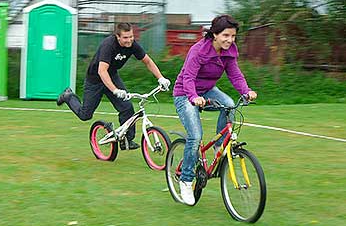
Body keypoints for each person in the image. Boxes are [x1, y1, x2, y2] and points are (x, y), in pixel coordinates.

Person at [172, 14, 257, 205]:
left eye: (233, 36)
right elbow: (188, 78)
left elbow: (235, 75)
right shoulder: (199, 51)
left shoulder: (229, 51)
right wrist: (193, 97)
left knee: (228, 104)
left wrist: (246, 91)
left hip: (207, 91)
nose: (230, 40)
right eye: (226, 35)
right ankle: (186, 180)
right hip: (185, 94)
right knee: (195, 136)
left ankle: (220, 144)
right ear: (215, 34)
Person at [57, 22, 171, 150]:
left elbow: (148, 61)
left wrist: (161, 78)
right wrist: (115, 90)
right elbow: (102, 71)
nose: (129, 40)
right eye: (125, 38)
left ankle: (126, 140)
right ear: (118, 37)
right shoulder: (108, 45)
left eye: (131, 37)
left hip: (112, 77)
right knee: (85, 115)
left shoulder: (133, 45)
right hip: (95, 80)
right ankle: (68, 96)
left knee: (127, 108)